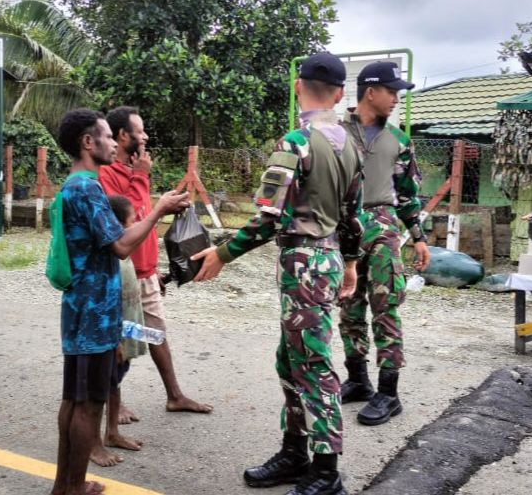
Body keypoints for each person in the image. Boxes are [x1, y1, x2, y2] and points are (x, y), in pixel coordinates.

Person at [192, 52, 363, 495]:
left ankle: (326, 473)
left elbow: (269, 217)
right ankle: (295, 451)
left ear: (297, 87)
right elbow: (352, 214)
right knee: (290, 358)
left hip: (304, 262)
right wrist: (349, 263)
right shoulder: (350, 145)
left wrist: (222, 253)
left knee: (311, 363)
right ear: (342, 94)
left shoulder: (296, 142)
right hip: (323, 260)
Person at [51, 109, 188, 495]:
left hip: (83, 309)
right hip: (93, 313)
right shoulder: (86, 188)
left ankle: (65, 486)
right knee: (89, 404)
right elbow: (123, 245)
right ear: (87, 142)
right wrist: (160, 210)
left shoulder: (75, 186)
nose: (115, 143)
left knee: (74, 400)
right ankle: (72, 488)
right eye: (108, 136)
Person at [100, 106, 212, 418]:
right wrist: (141, 178)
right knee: (121, 339)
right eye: (140, 130)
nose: (146, 136)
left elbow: (145, 218)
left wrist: (155, 271)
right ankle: (113, 405)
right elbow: (129, 219)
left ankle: (175, 395)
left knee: (154, 333)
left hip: (146, 272)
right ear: (124, 136)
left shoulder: (136, 171)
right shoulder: (106, 174)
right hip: (123, 274)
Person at [338, 61, 430, 426]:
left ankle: (389, 393)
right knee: (348, 307)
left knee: (385, 308)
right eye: (391, 91)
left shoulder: (398, 141)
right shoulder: (335, 134)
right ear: (370, 92)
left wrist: (419, 239)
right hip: (344, 229)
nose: (396, 98)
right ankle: (357, 379)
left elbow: (408, 195)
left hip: (383, 230)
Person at [89, 195, 148, 467]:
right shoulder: (110, 255)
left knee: (114, 384)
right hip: (113, 337)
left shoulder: (124, 253)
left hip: (124, 336)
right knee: (99, 390)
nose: (136, 225)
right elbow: (108, 301)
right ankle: (93, 444)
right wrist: (115, 340)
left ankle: (112, 432)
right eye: (132, 221)